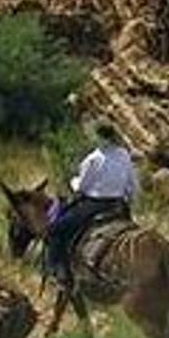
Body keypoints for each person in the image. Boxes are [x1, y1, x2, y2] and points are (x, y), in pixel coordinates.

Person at [42, 123, 138, 288]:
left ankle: (58, 273)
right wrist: (129, 199)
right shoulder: (124, 155)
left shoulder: (93, 159)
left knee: (56, 230)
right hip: (118, 205)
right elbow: (132, 185)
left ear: (99, 136)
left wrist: (73, 181)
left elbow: (81, 187)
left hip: (95, 205)